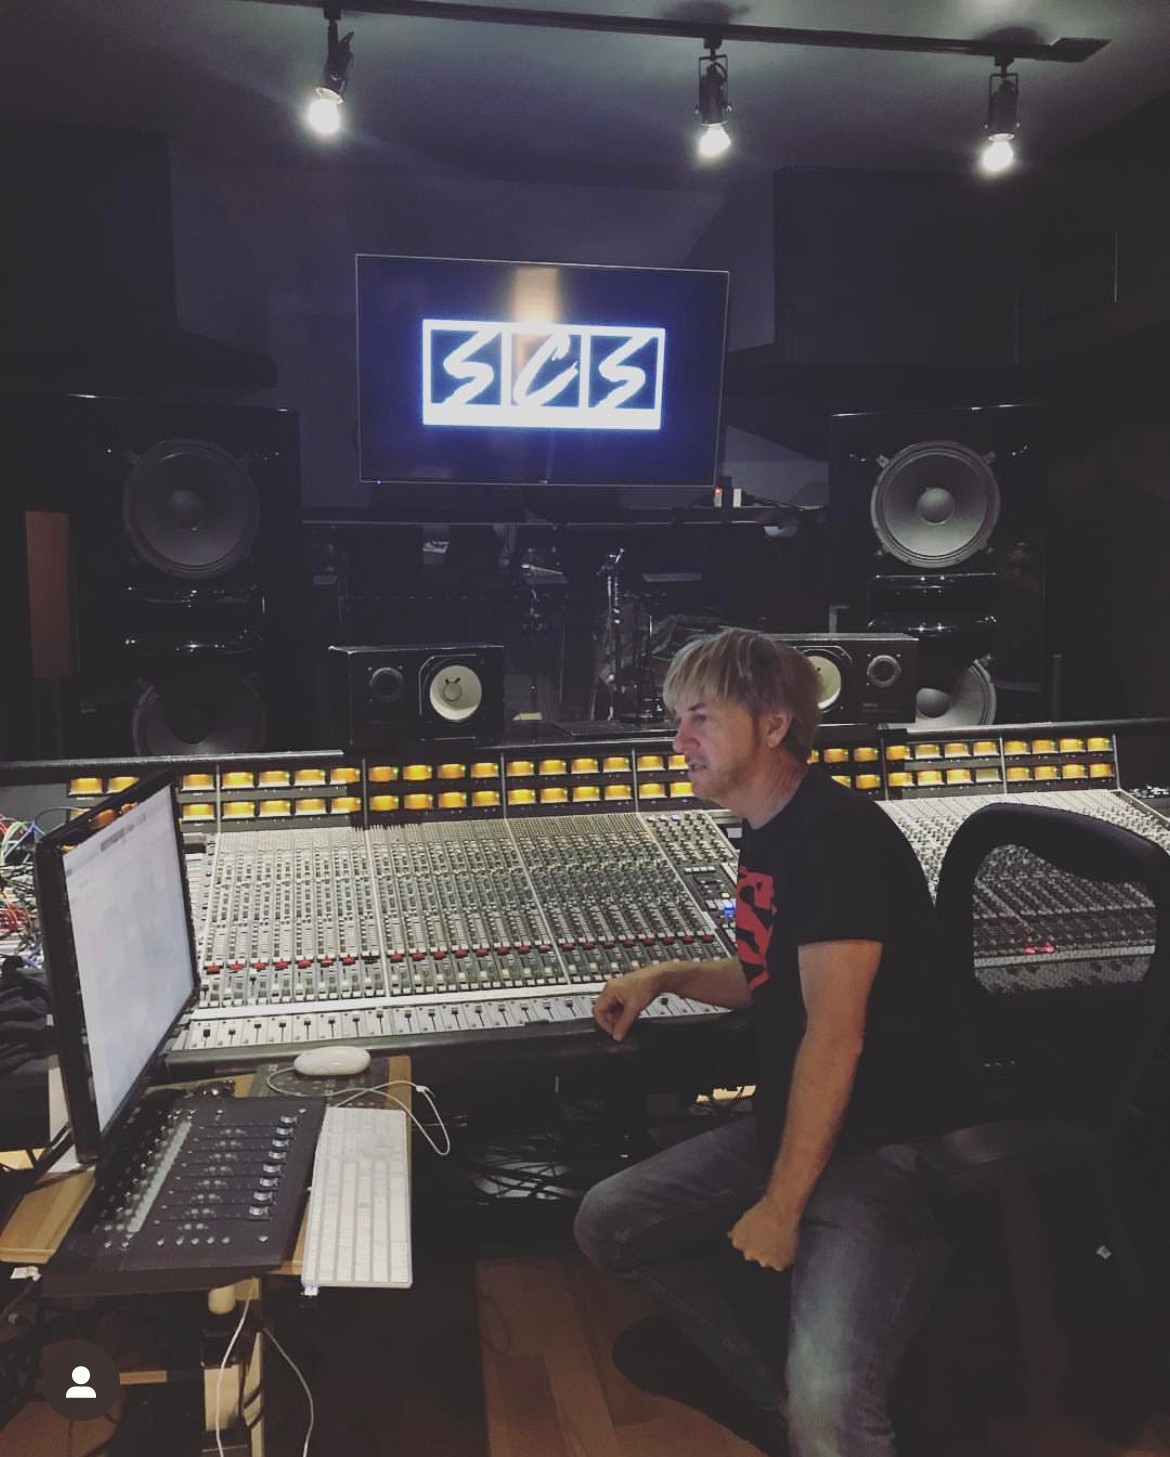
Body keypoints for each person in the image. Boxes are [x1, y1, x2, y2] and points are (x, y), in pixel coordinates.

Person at [573, 627, 969, 1456]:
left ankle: (815, 1410)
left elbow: (834, 1037)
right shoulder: (772, 824)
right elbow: (771, 974)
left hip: (878, 1150)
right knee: (609, 1221)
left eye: (701, 718)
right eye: (678, 719)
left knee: (831, 1407)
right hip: (795, 1127)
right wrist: (667, 976)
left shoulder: (837, 842)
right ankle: (776, 1397)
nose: (678, 741)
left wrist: (782, 1208)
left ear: (774, 724)